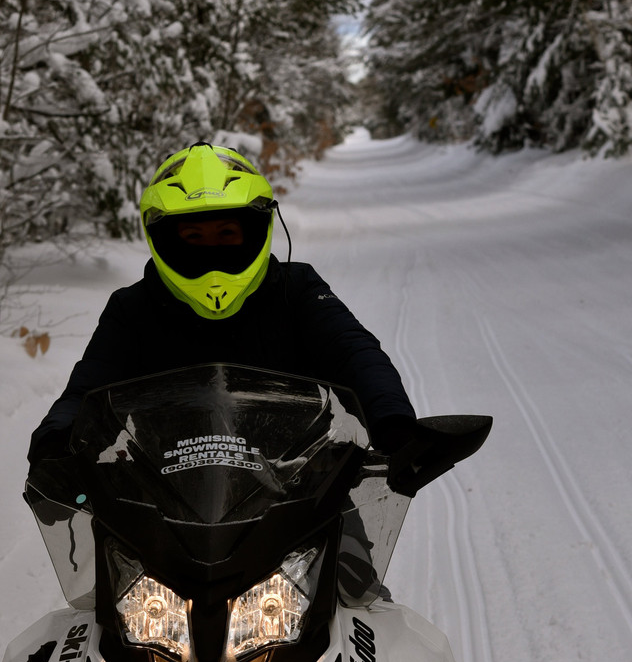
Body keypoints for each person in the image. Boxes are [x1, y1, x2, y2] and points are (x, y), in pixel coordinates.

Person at [28, 142, 418, 468]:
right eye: (192, 236)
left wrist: (394, 423)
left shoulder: (296, 289)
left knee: (349, 555)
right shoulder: (133, 308)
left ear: (256, 231)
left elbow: (353, 351)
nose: (211, 249)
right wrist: (56, 440)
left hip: (298, 486)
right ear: (163, 240)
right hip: (164, 500)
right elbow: (88, 387)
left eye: (227, 233)